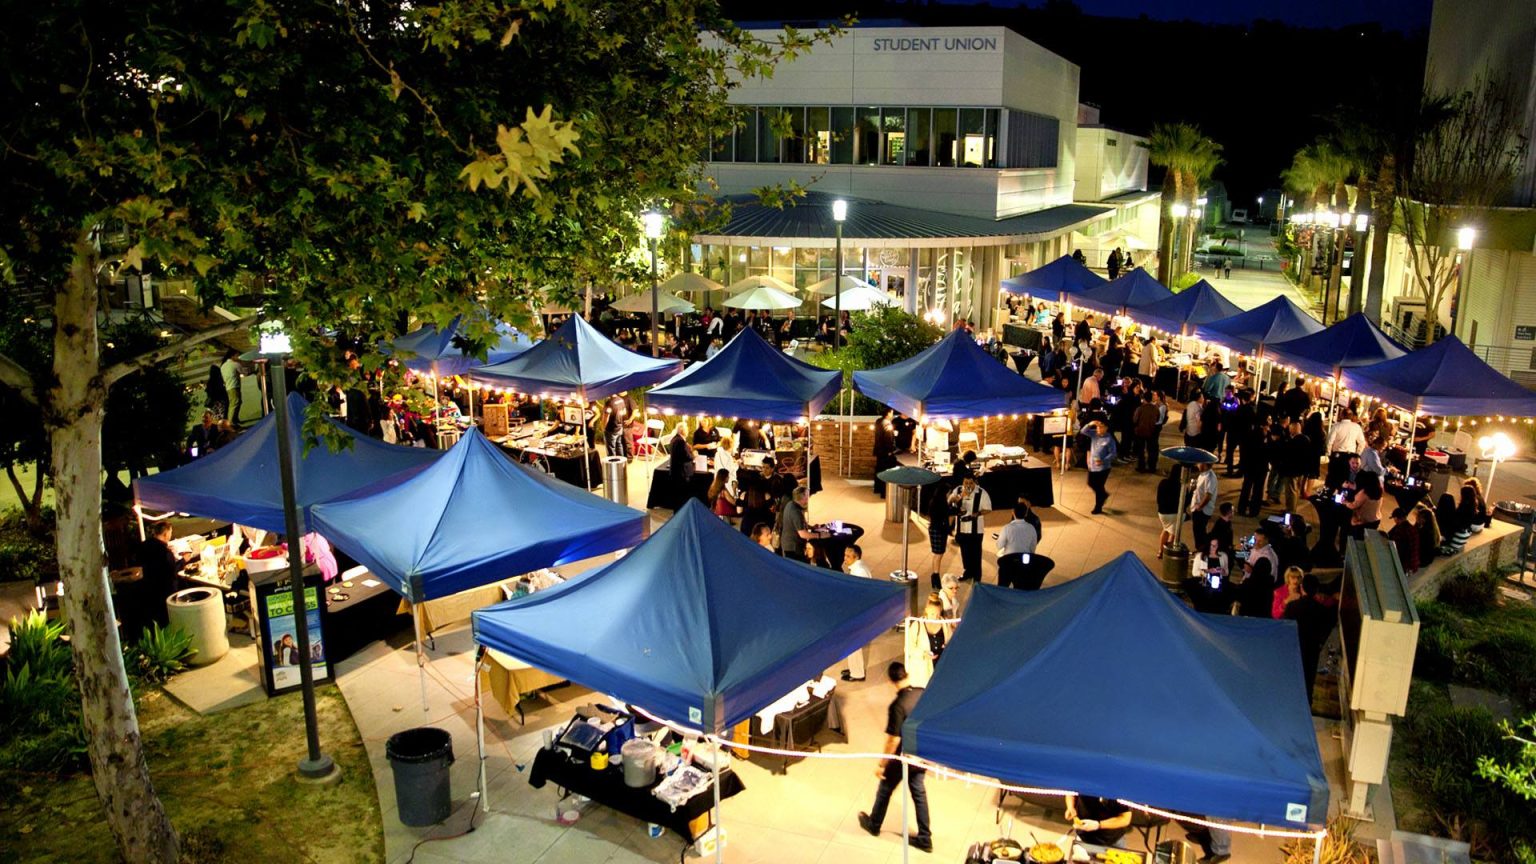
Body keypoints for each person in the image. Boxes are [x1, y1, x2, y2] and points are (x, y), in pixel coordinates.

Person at [857, 662, 932, 853]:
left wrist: (883, 764)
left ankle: (874, 824)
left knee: (885, 788)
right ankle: (925, 837)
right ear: (906, 675)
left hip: (903, 756)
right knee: (919, 793)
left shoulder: (897, 706)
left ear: (891, 681)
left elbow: (893, 740)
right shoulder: (922, 693)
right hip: (921, 750)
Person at [132, 521, 180, 633]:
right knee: (165, 625)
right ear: (166, 533)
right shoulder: (165, 552)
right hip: (164, 594)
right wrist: (183, 561)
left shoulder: (142, 547)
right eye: (170, 532)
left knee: (153, 626)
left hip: (146, 594)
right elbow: (172, 572)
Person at [949, 469, 991, 582]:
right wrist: (960, 496)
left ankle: (977, 577)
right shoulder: (958, 490)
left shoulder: (982, 493)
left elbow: (988, 509)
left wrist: (978, 513)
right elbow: (950, 501)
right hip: (961, 528)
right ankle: (967, 572)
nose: (968, 485)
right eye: (966, 483)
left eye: (970, 483)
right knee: (965, 552)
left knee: (976, 554)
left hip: (976, 530)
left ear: (974, 482)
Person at [841, 545, 874, 681]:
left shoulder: (859, 571)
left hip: (858, 614)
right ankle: (854, 668)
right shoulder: (858, 568)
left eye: (848, 556)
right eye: (845, 555)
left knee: (854, 643)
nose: (845, 558)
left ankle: (857, 673)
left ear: (857, 557)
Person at [996, 501, 1041, 589]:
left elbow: (999, 546)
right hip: (1023, 563)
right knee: (1020, 588)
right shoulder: (1031, 528)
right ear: (1026, 513)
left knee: (1002, 587)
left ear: (1013, 512)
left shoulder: (1007, 528)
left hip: (1008, 562)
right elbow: (1032, 549)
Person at [1065, 794, 1133, 849]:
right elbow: (1071, 792)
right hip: (1084, 836)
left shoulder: (1120, 787)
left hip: (1112, 840)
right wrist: (1070, 807)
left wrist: (1098, 825)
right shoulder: (1083, 778)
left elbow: (1125, 819)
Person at [1236, 529, 1279, 617]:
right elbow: (1244, 560)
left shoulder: (1269, 557)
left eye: (1259, 541)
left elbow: (1271, 578)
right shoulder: (1254, 550)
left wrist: (1253, 572)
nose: (1256, 543)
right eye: (1255, 540)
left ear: (1266, 541)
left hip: (1257, 595)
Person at [1237, 414, 1271, 516]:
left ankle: (1242, 508)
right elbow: (1267, 451)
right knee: (1258, 489)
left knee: (1246, 487)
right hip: (1260, 466)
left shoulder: (1249, 434)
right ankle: (1254, 510)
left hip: (1249, 465)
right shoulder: (1265, 436)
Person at [1279, 421, 1313, 514]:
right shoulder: (1306, 439)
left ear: (1293, 429)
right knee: (1296, 490)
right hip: (1301, 470)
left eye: (1290, 428)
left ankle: (1290, 510)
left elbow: (1288, 455)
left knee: (1291, 491)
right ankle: (1291, 508)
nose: (1289, 430)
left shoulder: (1294, 441)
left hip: (1292, 470)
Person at [1084, 420, 1117, 515]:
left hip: (1103, 468)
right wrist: (1090, 424)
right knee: (1091, 483)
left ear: (1106, 428)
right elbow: (1083, 431)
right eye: (1098, 427)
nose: (1098, 429)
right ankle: (1104, 495)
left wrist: (1103, 461)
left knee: (1099, 486)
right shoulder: (1094, 434)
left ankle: (1098, 507)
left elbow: (1113, 454)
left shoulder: (1109, 439)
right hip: (1092, 466)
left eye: (1101, 427)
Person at [1343, 470, 1383, 545]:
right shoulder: (1379, 491)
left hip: (1363, 522)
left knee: (1357, 541)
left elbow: (1353, 506)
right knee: (1367, 540)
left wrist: (1345, 502)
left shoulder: (1364, 493)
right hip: (1375, 520)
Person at [778, 485, 812, 561]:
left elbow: (796, 524)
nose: (808, 498)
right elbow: (803, 534)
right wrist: (819, 535)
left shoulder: (790, 504)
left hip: (788, 545)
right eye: (807, 495)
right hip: (793, 548)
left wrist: (812, 527)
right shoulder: (796, 512)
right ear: (802, 497)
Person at [1156, 465, 1184, 558]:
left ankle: (1160, 551)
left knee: (1165, 529)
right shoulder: (1180, 486)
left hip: (1162, 513)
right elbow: (1184, 503)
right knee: (1173, 533)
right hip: (1174, 514)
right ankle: (1166, 552)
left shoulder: (1163, 482)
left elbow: (1158, 499)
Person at [1189, 462, 1218, 549]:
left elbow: (1208, 495)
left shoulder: (1210, 477)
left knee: (1199, 532)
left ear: (1204, 464)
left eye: (1199, 463)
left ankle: (1202, 550)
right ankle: (1200, 549)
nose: (1197, 465)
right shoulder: (1203, 474)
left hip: (1202, 510)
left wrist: (1199, 507)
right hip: (1197, 508)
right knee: (1197, 531)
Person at [873, 409, 899, 498]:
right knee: (886, 472)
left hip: (879, 450)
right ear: (888, 413)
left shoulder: (878, 421)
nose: (892, 414)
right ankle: (884, 493)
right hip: (885, 452)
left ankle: (877, 488)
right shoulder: (887, 424)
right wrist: (890, 451)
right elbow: (888, 439)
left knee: (879, 469)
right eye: (891, 412)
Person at [1387, 507, 1420, 574]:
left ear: (1396, 518)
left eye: (1394, 518)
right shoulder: (1412, 528)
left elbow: (1396, 548)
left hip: (1405, 565)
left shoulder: (1400, 531)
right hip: (1414, 562)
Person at [602, 393, 632, 459]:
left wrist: (603, 427)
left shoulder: (609, 402)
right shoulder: (621, 400)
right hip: (619, 426)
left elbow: (606, 416)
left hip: (611, 428)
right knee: (619, 445)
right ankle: (621, 462)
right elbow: (624, 412)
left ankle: (613, 463)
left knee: (611, 448)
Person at [220, 350, 243, 427]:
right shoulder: (235, 364)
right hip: (234, 386)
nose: (238, 357)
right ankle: (231, 422)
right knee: (235, 403)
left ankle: (235, 419)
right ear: (232, 356)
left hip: (228, 387)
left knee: (236, 402)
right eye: (237, 355)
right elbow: (244, 372)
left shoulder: (223, 366)